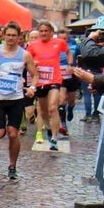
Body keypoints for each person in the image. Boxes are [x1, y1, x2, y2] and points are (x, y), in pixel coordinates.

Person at [0, 23, 38, 180]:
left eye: (14, 35)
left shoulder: (24, 55)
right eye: (8, 35)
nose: (10, 38)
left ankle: (12, 166)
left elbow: (35, 74)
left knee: (13, 133)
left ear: (19, 37)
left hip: (16, 99)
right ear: (3, 35)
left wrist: (32, 88)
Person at [26, 21, 70, 151]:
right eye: (41, 31)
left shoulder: (59, 42)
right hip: (40, 82)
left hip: (54, 80)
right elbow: (27, 61)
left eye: (46, 31)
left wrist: (70, 64)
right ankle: (50, 128)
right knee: (43, 112)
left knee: (52, 108)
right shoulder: (33, 45)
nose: (44, 33)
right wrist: (33, 64)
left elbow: (68, 52)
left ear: (51, 32)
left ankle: (54, 138)